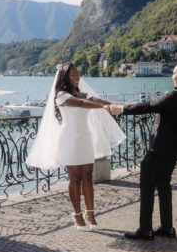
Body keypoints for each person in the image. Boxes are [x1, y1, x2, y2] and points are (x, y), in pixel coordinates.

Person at [106, 62, 177, 240]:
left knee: (147, 184)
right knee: (164, 184)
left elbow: (149, 106)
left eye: (173, 73)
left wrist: (121, 109)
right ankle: (166, 227)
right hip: (174, 147)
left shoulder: (175, 96)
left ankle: (145, 229)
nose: (172, 76)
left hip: (160, 147)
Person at [26, 63, 125, 231]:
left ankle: (91, 214)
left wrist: (120, 106)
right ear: (64, 77)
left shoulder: (80, 93)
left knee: (87, 175)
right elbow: (81, 104)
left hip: (85, 138)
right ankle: (77, 216)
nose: (77, 77)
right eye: (73, 74)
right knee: (75, 178)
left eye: (78, 74)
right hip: (69, 139)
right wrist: (104, 107)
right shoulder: (61, 95)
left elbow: (95, 99)